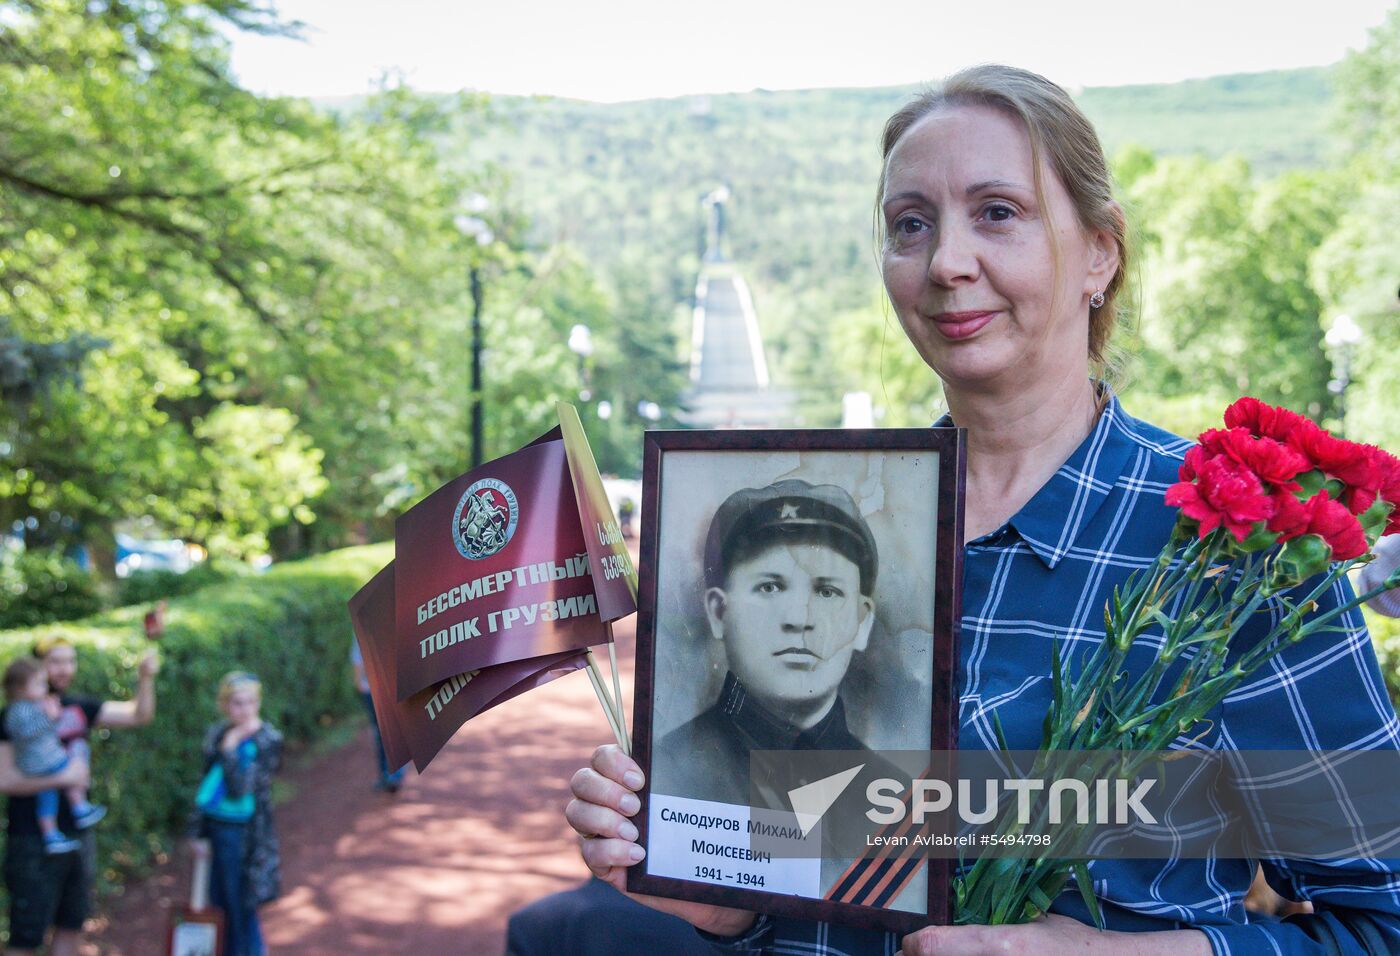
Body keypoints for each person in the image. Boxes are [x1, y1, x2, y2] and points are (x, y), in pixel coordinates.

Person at [563, 64, 1400, 955]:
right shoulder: (855, 521)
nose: (946, 262)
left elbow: (1381, 920)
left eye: (998, 211)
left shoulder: (1232, 553)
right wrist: (725, 898)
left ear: (1099, 254)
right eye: (909, 225)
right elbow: (811, 891)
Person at [653, 479, 878, 806]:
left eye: (827, 592)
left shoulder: (900, 805)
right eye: (770, 587)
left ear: (862, 622)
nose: (800, 620)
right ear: (719, 612)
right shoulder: (662, 776)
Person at [0, 636, 158, 956]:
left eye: (70, 660)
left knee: (71, 925)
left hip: (78, 833)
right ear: (38, 667)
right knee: (25, 936)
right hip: (31, 840)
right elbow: (5, 779)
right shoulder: (13, 716)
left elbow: (138, 715)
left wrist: (145, 677)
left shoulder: (79, 706)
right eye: (55, 661)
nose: (64, 669)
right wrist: (65, 777)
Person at [187, 671, 283, 956]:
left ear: (259, 703)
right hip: (216, 828)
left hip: (246, 834)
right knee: (218, 899)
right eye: (237, 703)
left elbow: (240, 788)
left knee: (240, 901)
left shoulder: (267, 739)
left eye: (250, 703)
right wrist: (195, 832)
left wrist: (230, 748)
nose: (244, 710)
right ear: (225, 705)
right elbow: (206, 787)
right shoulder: (217, 733)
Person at [1, 658, 105, 855]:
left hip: (39, 762)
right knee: (77, 757)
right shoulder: (18, 710)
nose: (45, 687)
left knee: (47, 798)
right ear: (21, 689)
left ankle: (51, 835)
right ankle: (80, 807)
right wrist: (50, 717)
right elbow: (26, 733)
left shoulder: (30, 705)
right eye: (39, 683)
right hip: (42, 761)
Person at [351, 635, 405, 792]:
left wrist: (358, 681)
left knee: (381, 732)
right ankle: (391, 775)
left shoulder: (362, 623)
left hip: (375, 687)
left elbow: (356, 657)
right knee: (391, 731)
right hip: (389, 686)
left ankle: (389, 774)